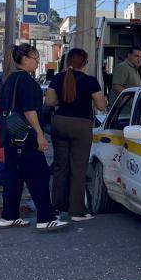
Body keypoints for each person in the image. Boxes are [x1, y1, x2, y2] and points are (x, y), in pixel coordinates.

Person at [0, 44, 68, 231]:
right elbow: (30, 111)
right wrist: (39, 135)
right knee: (39, 176)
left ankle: (9, 216)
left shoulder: (9, 79)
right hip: (25, 137)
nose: (38, 61)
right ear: (24, 59)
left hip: (10, 135)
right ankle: (45, 217)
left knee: (13, 178)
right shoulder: (27, 81)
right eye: (35, 58)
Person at [44, 48, 106, 221]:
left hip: (60, 123)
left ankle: (56, 208)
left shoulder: (57, 79)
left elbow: (48, 101)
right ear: (85, 63)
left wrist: (63, 101)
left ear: (67, 62)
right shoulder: (90, 82)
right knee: (78, 168)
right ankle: (77, 211)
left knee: (60, 167)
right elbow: (101, 106)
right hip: (81, 125)